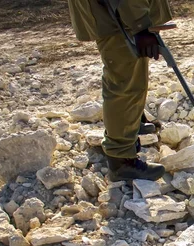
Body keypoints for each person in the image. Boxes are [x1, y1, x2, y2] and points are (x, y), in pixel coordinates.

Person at [67, 0, 173, 181]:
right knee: (125, 84)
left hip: (118, 12)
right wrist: (139, 23)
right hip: (117, 13)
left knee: (131, 75)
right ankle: (121, 160)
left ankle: (130, 124)